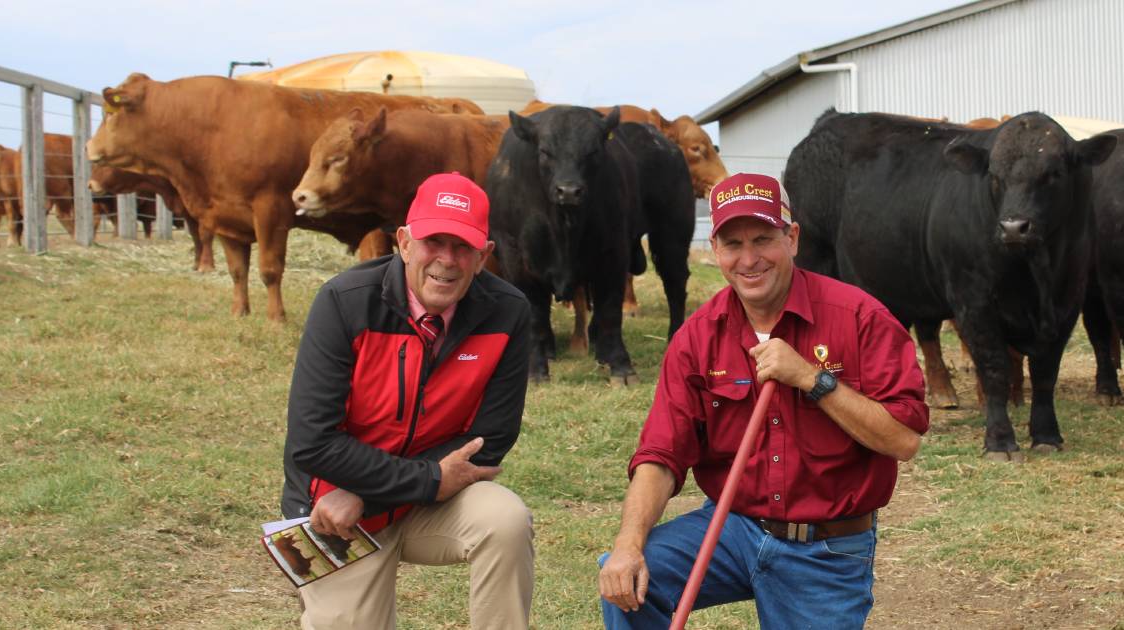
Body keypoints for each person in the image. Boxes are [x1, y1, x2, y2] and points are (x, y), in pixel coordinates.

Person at [598, 173, 929, 629]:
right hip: (733, 529)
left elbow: (903, 439)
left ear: (791, 238)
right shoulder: (698, 336)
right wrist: (628, 546)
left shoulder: (859, 318)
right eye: (732, 244)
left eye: (763, 239)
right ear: (715, 251)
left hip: (826, 548)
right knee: (628, 582)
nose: (749, 259)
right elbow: (661, 454)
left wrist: (813, 380)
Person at [281, 172, 535, 629]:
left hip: (419, 498)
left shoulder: (509, 312)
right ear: (402, 242)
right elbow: (312, 443)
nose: (447, 260)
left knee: (506, 520)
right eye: (433, 241)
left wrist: (380, 491)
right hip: (333, 510)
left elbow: (490, 438)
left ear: (484, 257)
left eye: (463, 247)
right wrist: (420, 480)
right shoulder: (342, 301)